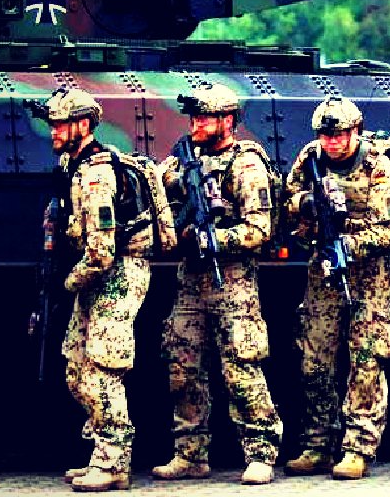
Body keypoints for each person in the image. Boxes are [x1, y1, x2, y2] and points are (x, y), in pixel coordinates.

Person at [152, 84, 282, 485]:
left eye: (205, 118)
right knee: (183, 366)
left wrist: (215, 239)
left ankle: (261, 452)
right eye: (193, 118)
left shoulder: (246, 165)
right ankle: (190, 453)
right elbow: (159, 191)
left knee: (241, 368)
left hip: (232, 280)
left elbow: (260, 228)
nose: (196, 125)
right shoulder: (183, 160)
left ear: (227, 120)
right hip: (191, 280)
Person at [283, 97, 390, 481]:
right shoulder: (310, 158)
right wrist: (308, 204)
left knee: (366, 360)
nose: (332, 142)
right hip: (324, 271)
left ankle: (357, 448)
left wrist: (346, 245)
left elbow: (386, 230)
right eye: (326, 135)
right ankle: (318, 445)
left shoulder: (377, 165)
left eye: (339, 135)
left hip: (369, 273)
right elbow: (288, 199)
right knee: (314, 357)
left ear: (355, 131)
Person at [40, 88, 151, 492]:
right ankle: (101, 452)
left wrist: (66, 282)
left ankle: (113, 463)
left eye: (60, 125)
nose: (54, 132)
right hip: (94, 277)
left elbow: (102, 252)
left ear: (83, 125)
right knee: (77, 368)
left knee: (103, 370)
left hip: (116, 274)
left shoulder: (97, 175)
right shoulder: (73, 166)